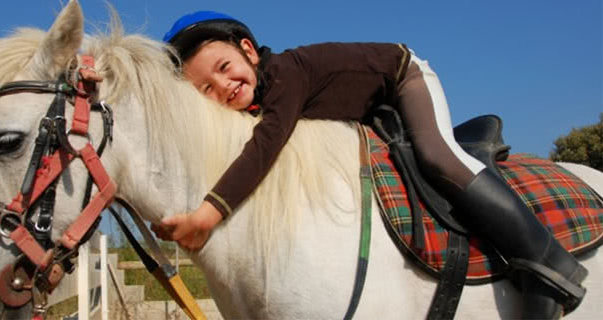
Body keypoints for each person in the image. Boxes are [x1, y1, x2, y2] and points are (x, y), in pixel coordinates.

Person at [153, 11, 587, 318]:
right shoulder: (257, 100)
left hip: (404, 77)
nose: (223, 86)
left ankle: (547, 264)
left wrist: (208, 214)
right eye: (206, 89)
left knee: (438, 157)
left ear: (249, 50)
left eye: (225, 68)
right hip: (369, 111)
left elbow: (265, 146)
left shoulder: (285, 74)